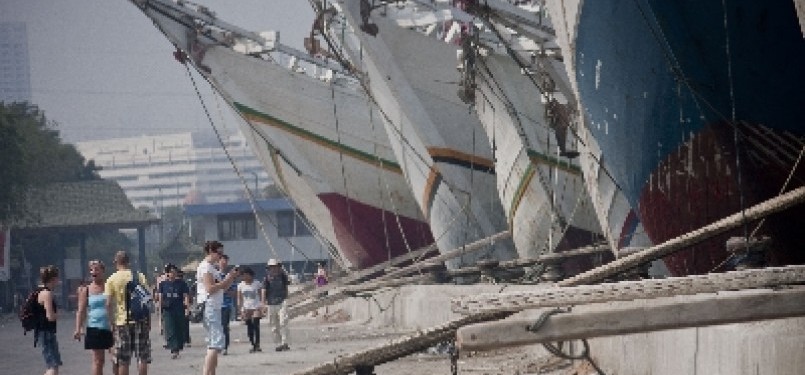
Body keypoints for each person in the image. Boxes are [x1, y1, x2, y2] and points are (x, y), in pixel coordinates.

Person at [105, 251, 151, 375]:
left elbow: (108, 304)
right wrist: (148, 320)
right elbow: (146, 299)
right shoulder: (139, 276)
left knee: (123, 360)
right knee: (142, 357)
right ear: (128, 262)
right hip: (140, 320)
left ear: (116, 262)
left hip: (122, 322)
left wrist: (111, 322)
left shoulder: (111, 279)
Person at [197, 240, 239, 375]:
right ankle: (207, 372)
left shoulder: (213, 268)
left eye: (222, 253)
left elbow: (223, 287)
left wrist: (230, 277)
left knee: (214, 343)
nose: (220, 256)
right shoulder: (205, 267)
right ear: (210, 251)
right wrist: (225, 281)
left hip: (215, 306)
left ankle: (211, 372)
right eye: (218, 253)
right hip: (209, 306)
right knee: (215, 342)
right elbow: (210, 288)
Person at [74, 260, 113, 375]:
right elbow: (81, 311)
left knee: (116, 359)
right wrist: (78, 328)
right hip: (94, 327)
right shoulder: (86, 290)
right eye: (91, 269)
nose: (94, 272)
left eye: (96, 269)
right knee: (98, 361)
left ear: (103, 271)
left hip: (110, 327)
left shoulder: (109, 286)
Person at [156, 263, 190, 359]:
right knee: (170, 329)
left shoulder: (182, 283)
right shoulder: (163, 284)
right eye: (171, 272)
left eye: (174, 271)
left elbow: (186, 296)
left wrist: (187, 308)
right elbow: (160, 297)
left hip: (179, 309)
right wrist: (160, 309)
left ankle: (178, 346)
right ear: (167, 273)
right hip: (168, 310)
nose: (173, 273)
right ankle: (174, 349)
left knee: (179, 328)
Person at [37, 265, 62, 375]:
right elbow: (50, 316)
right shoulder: (47, 293)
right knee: (53, 366)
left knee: (52, 365)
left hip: (44, 331)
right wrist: (58, 315)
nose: (58, 280)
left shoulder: (40, 291)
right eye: (57, 278)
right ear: (53, 279)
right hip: (46, 332)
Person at [262, 258, 290, 351]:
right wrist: (263, 303)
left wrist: (286, 298)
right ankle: (278, 343)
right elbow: (264, 290)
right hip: (271, 303)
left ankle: (284, 342)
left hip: (282, 301)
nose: (274, 269)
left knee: (283, 322)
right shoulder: (266, 278)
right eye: (272, 267)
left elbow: (286, 286)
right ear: (269, 268)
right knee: (273, 325)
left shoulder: (282, 276)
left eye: (275, 267)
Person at [236, 267, 263, 353]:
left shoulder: (257, 283)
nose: (245, 277)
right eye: (243, 275)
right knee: (249, 327)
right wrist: (240, 309)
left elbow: (260, 295)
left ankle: (257, 344)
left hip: (256, 307)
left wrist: (262, 305)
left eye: (246, 275)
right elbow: (239, 298)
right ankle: (253, 344)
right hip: (246, 307)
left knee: (256, 324)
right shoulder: (240, 285)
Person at [217, 254, 237, 355]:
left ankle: (225, 346)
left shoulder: (231, 277)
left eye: (225, 262)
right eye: (222, 262)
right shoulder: (214, 275)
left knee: (224, 326)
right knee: (216, 326)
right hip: (215, 305)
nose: (224, 264)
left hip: (226, 305)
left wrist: (223, 289)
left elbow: (233, 293)